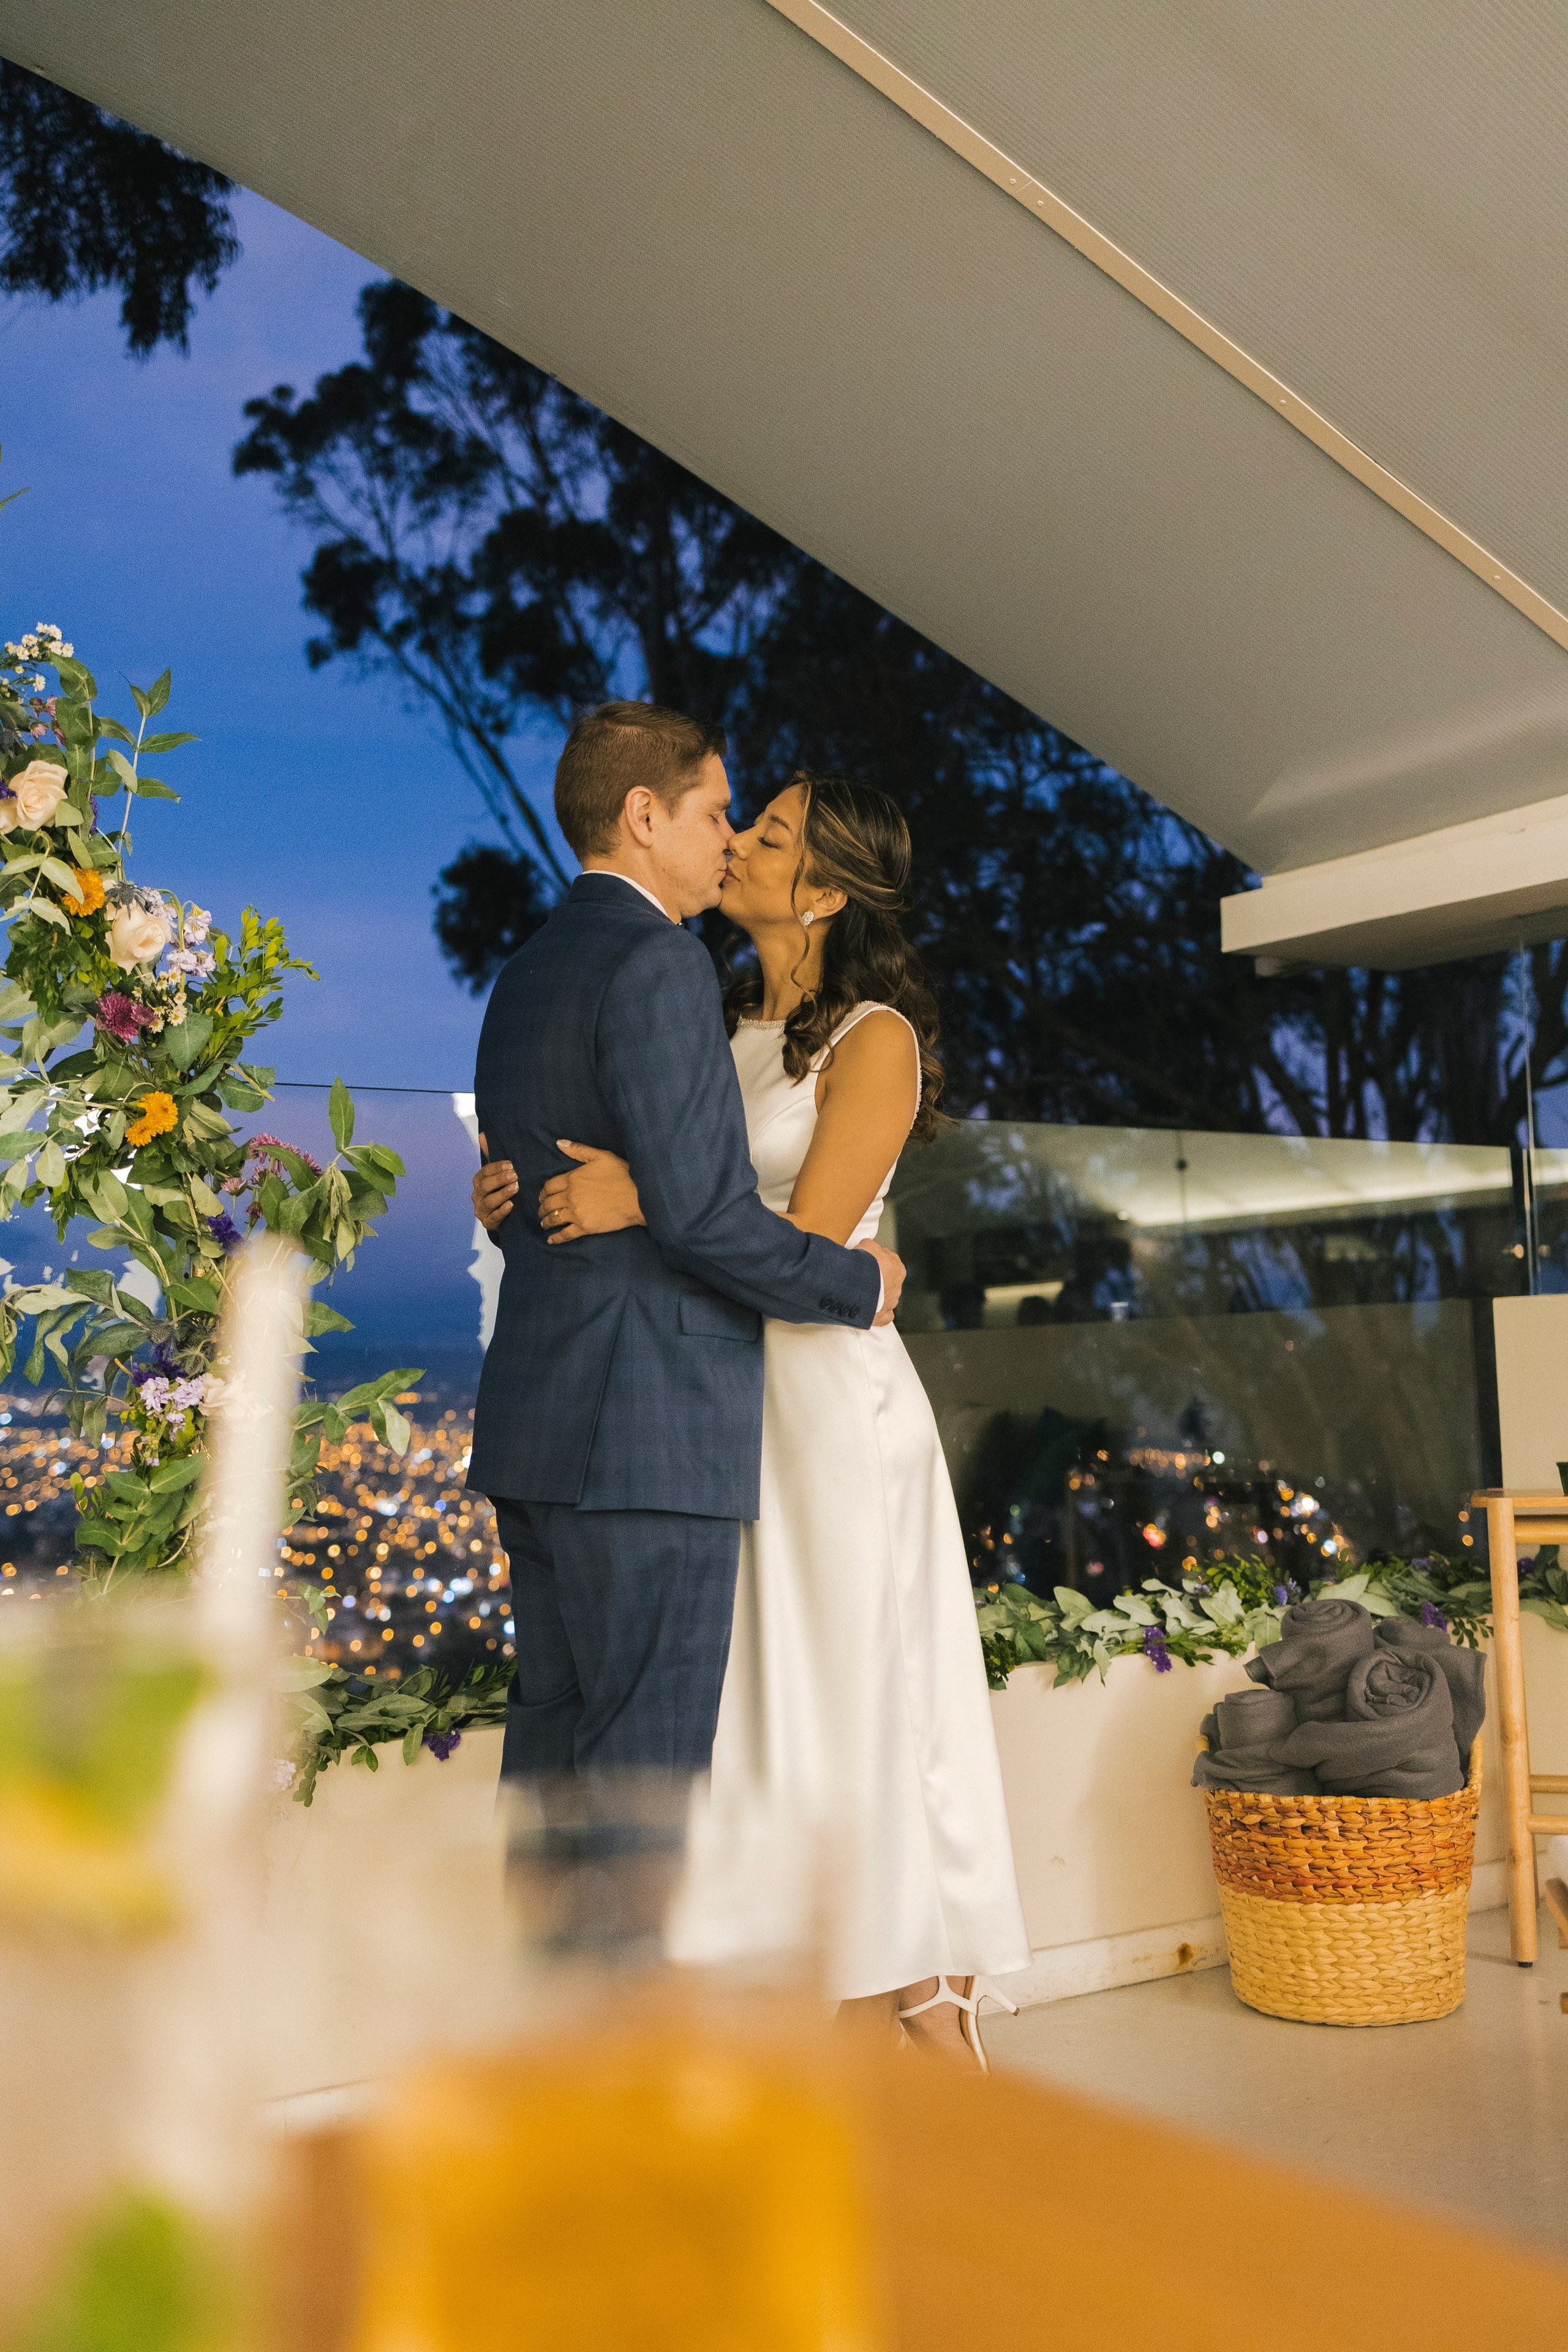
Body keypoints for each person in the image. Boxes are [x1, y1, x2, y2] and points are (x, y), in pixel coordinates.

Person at [474, 767, 1031, 2068]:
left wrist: (634, 1204)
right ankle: (785, 1993)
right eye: (736, 822)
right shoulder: (711, 1019)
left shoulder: (874, 1040)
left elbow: (806, 1240)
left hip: (825, 1405)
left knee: (852, 1689)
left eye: (767, 837)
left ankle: (913, 1985)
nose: (733, 848)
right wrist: (532, 1184)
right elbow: (677, 1193)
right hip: (712, 1396)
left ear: (826, 889)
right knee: (761, 1706)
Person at [467, 702, 903, 1786]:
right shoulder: (662, 966)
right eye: (717, 813)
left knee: (552, 1773)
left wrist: (548, 1200)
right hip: (647, 1437)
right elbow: (707, 1216)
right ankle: (624, 1968)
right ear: (645, 815)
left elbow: (543, 1187)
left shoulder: (525, 969)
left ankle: (550, 1966)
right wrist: (860, 1279)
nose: (728, 837)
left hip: (541, 1417)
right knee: (638, 1788)